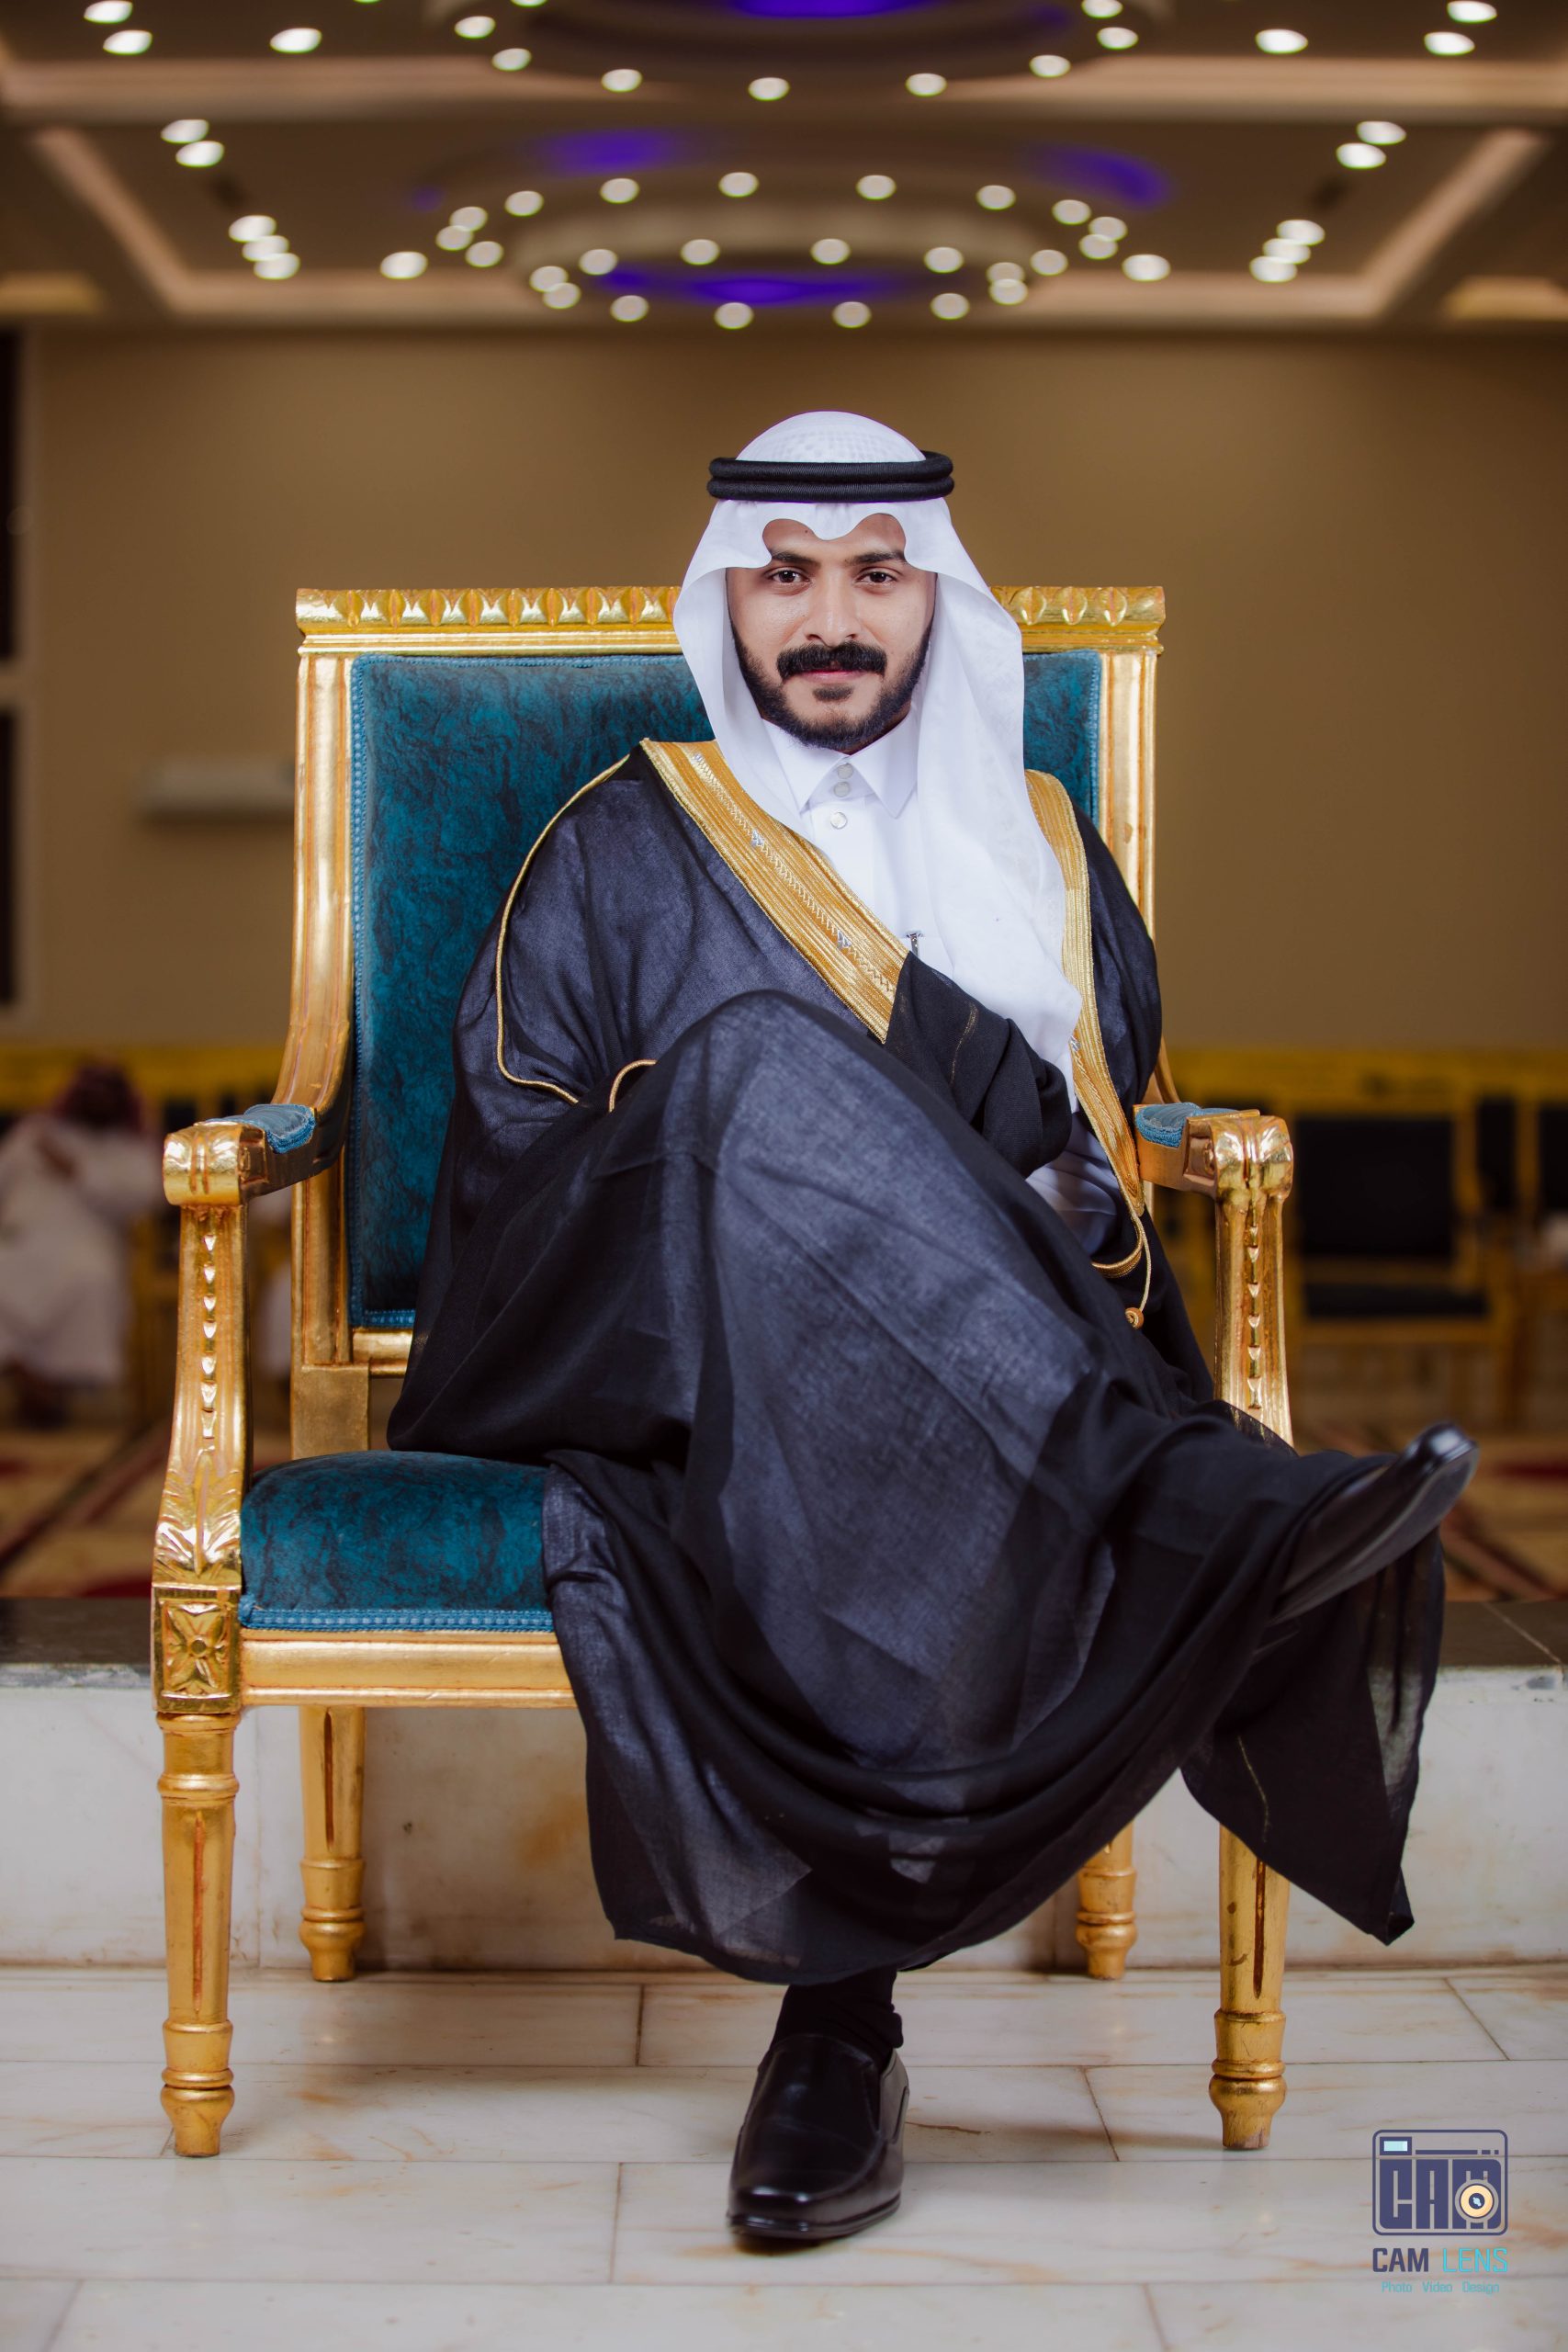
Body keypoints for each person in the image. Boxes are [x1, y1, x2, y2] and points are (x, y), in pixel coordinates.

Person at [389, 412, 1476, 2246]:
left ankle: (840, 2027)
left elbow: (1113, 1174)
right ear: (727, 600)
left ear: (932, 599)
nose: (831, 616)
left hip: (984, 1381)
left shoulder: (1037, 847)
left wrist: (1038, 1205)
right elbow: (510, 1156)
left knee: (915, 1277)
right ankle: (1207, 1514)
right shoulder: (620, 837)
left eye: (876, 574)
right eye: (787, 576)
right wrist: (790, 1144)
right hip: (635, 1349)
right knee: (759, 1065)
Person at [0, 1061, 163, 1426]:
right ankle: (27, 1379)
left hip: (86, 1244)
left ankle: (52, 1389)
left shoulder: (130, 1147)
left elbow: (149, 1195)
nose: (97, 1101)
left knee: (91, 1281)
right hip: (21, 1240)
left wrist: (78, 1172)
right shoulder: (35, 1134)